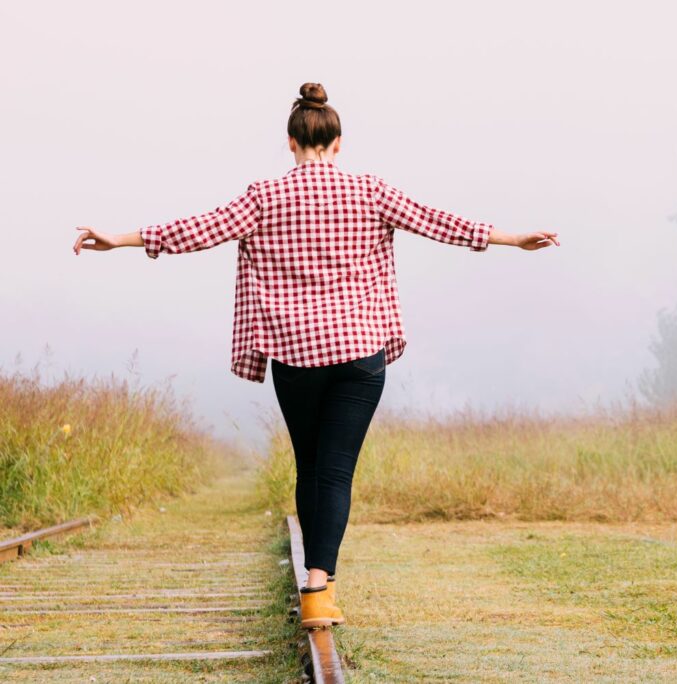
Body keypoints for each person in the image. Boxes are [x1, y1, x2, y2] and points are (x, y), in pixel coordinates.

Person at [72, 82, 559, 628]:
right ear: (338, 143)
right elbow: (439, 221)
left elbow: (194, 231)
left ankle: (316, 585)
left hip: (294, 355)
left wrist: (119, 239)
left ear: (290, 142)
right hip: (359, 353)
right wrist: (513, 238)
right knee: (336, 473)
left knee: (310, 466)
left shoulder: (263, 196)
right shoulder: (370, 190)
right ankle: (319, 588)